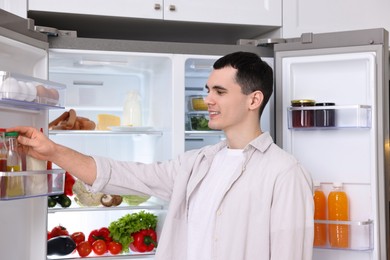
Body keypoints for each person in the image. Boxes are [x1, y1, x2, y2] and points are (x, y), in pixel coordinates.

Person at [8, 51, 314, 260]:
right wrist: (52, 150)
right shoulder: (197, 163)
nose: (207, 99)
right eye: (208, 90)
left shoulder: (284, 173)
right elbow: (121, 175)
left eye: (219, 92)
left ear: (254, 100)